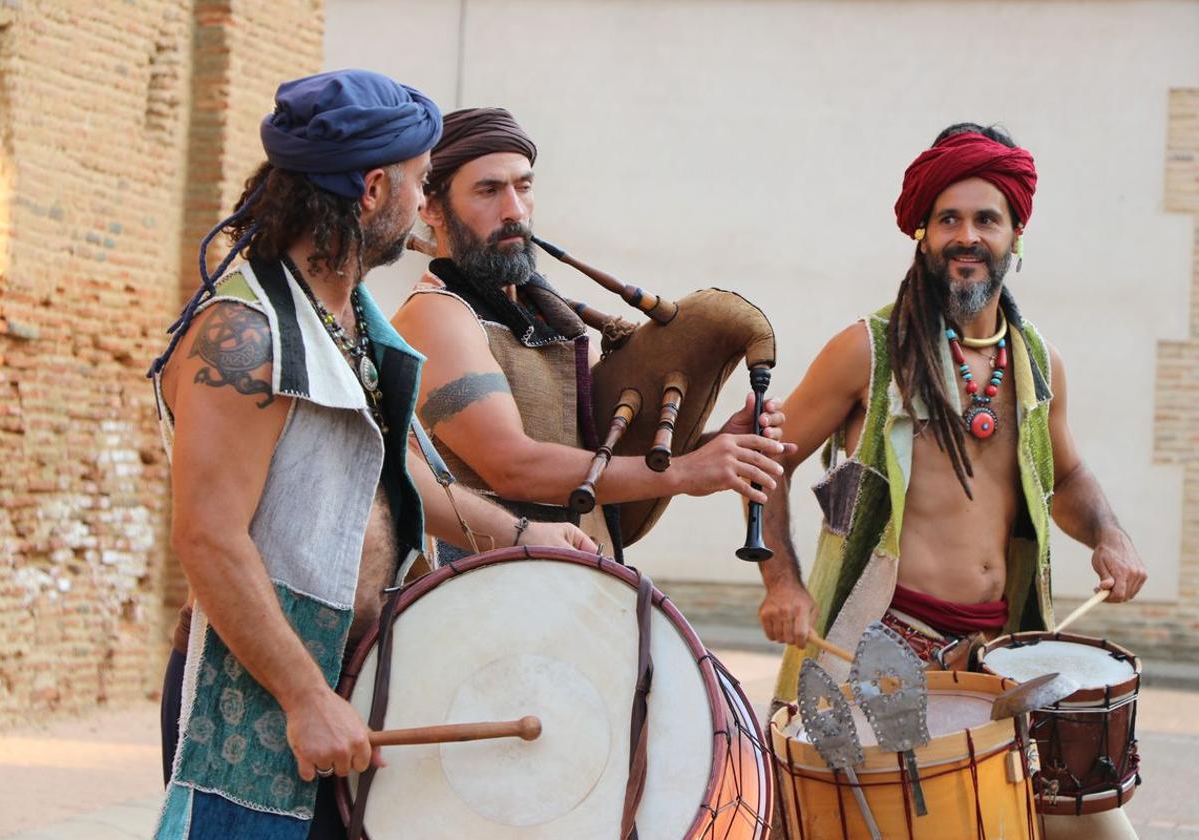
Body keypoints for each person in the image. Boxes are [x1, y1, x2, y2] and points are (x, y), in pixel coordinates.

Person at [150, 70, 594, 840]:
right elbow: (208, 537)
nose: (426, 208)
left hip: (359, 679)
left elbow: (393, 477)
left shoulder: (345, 317)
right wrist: (304, 697)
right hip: (268, 693)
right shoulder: (249, 336)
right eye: (423, 184)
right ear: (372, 189)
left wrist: (525, 537)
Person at [757, 123, 1147, 839]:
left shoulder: (1036, 363)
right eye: (949, 220)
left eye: (986, 220)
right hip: (877, 646)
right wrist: (782, 582)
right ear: (923, 236)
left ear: (1015, 237)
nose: (967, 236)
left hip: (1001, 656)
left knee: (1098, 829)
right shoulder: (868, 352)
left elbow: (1068, 476)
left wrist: (1110, 534)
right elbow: (766, 460)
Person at [391, 107, 790, 562]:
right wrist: (683, 471)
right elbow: (511, 466)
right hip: (481, 595)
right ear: (431, 206)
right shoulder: (438, 315)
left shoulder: (543, 316)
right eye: (488, 190)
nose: (515, 210)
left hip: (575, 584)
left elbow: (595, 459)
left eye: (524, 186)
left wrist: (714, 448)